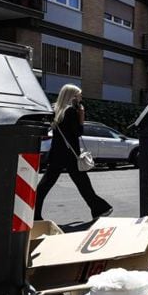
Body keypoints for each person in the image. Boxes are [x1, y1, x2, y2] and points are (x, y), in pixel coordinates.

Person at [34, 84, 113, 221]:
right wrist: (81, 116)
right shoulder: (70, 111)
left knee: (46, 184)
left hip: (57, 154)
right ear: (72, 96)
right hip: (70, 154)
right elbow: (77, 133)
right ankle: (99, 209)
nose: (81, 97)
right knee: (83, 183)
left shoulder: (56, 110)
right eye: (79, 95)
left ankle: (33, 213)